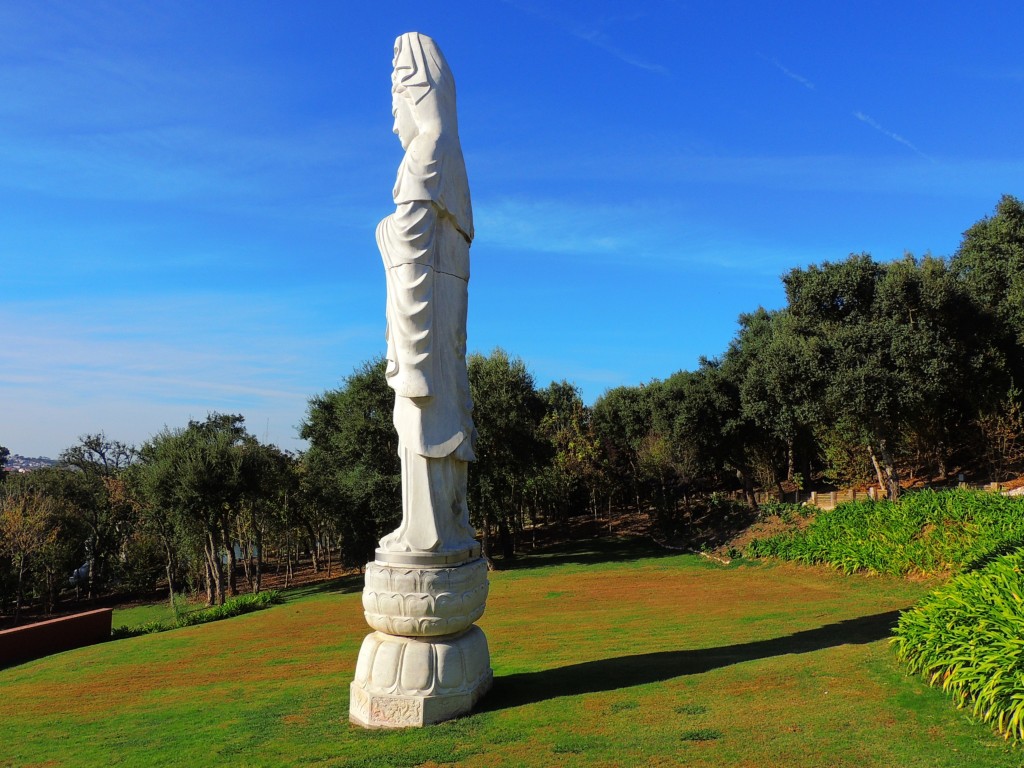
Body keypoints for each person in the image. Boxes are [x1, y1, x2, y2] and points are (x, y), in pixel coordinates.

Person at [376, 32, 478, 555]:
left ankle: (430, 530)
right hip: (440, 322)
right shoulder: (449, 156)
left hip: (427, 324)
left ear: (416, 95)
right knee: (427, 416)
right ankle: (439, 525)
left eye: (396, 102)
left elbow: (409, 239)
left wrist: (381, 231)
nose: (393, 120)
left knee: (421, 415)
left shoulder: (429, 152)